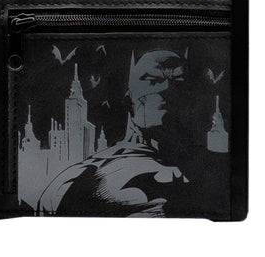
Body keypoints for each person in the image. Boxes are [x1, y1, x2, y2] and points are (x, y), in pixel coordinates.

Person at [37, 49, 191, 217]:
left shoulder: (205, 168)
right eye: (152, 80)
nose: (166, 88)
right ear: (128, 97)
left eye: (178, 82)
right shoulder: (80, 178)